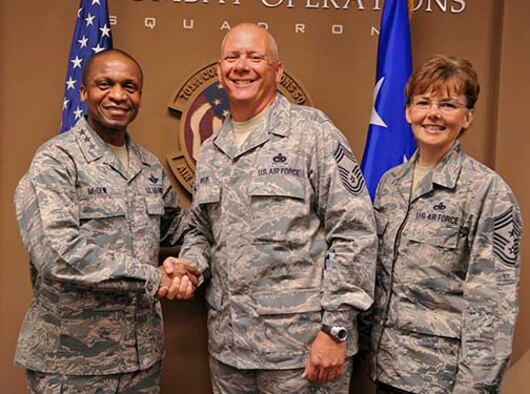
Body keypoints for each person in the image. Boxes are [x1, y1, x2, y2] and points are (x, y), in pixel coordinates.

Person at [171, 23, 377, 393]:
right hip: (230, 350)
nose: (241, 65)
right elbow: (203, 231)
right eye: (232, 57)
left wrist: (336, 329)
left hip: (302, 354)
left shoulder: (312, 133)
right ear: (220, 71)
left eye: (255, 56)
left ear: (278, 70)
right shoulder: (212, 151)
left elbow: (355, 232)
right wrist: (190, 265)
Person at [13, 49, 198, 393]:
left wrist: (238, 215)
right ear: (83, 92)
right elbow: (59, 254)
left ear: (140, 96)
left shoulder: (148, 167)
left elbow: (179, 226)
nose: (118, 95)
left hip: (141, 362)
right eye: (105, 84)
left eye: (130, 86)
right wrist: (154, 276)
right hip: (72, 364)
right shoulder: (56, 162)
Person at [368, 55, 523, 393]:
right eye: (423, 102)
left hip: (444, 381)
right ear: (408, 112)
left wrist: (474, 387)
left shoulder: (487, 192)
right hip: (387, 370)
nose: (433, 114)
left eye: (448, 104)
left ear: (467, 117)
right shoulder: (390, 184)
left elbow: (493, 308)